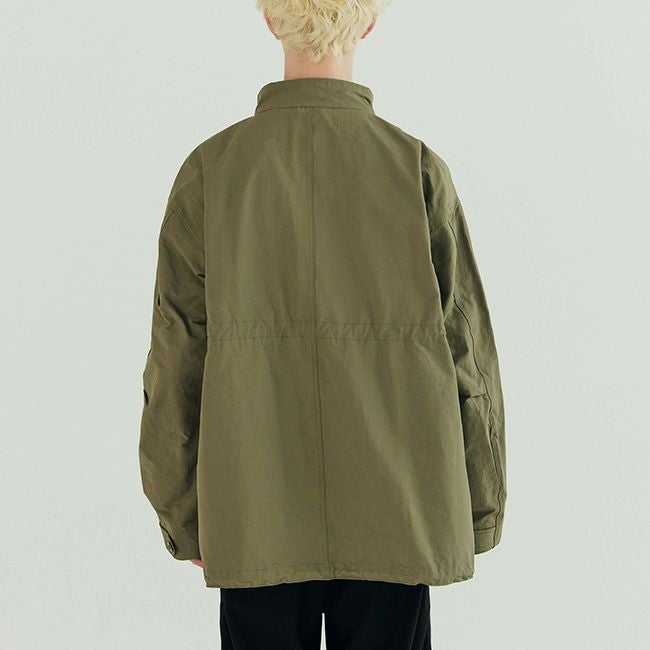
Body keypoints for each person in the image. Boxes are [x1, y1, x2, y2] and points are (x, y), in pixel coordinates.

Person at [138, 1, 507, 648]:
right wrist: (479, 504)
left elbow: (175, 361)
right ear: (369, 23)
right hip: (398, 509)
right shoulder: (415, 169)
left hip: (253, 508)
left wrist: (183, 514)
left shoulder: (211, 172)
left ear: (269, 20)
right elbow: (467, 353)